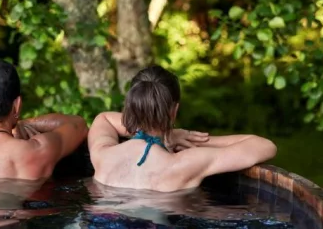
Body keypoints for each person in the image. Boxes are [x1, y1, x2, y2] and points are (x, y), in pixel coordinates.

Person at [88, 65, 277, 192]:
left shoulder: (103, 155)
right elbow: (265, 146)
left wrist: (144, 124)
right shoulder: (183, 164)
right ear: (174, 110)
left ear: (131, 107)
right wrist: (187, 137)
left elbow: (103, 118)